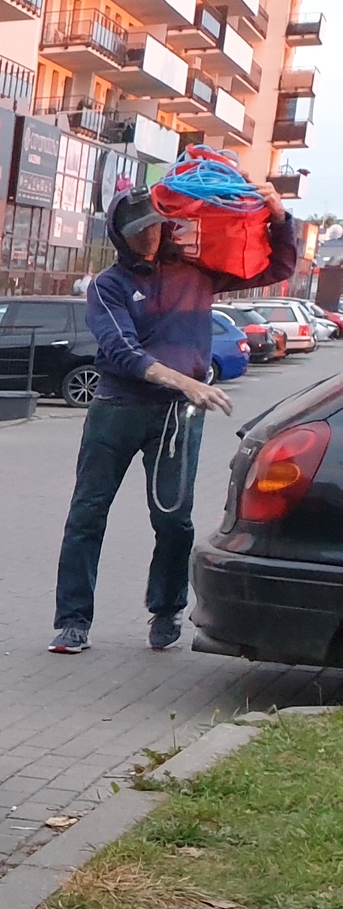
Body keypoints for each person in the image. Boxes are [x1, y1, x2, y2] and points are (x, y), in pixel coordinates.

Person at [50, 182, 296, 654]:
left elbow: (277, 267)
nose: (148, 236)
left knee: (174, 520)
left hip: (178, 418)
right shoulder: (108, 286)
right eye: (137, 230)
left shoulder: (197, 272)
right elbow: (122, 351)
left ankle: (166, 611)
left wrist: (278, 215)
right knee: (87, 515)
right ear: (119, 235)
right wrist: (189, 383)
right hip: (117, 409)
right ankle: (73, 621)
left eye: (153, 226)